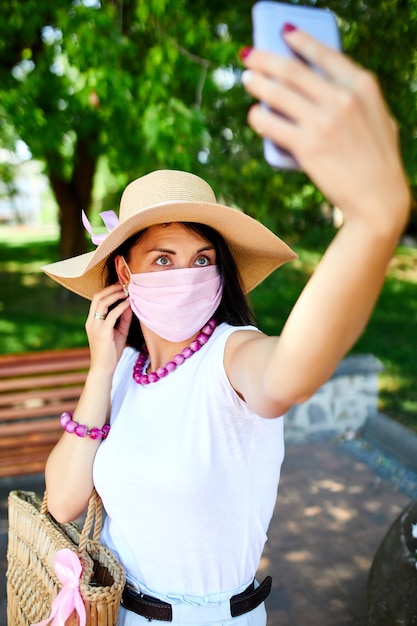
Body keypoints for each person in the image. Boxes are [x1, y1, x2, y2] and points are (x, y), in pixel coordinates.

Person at [42, 24, 411, 626]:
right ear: (122, 272)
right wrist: (101, 368)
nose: (186, 275)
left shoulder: (232, 357)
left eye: (202, 259)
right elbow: (62, 499)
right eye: (162, 258)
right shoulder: (127, 371)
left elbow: (290, 369)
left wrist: (372, 223)